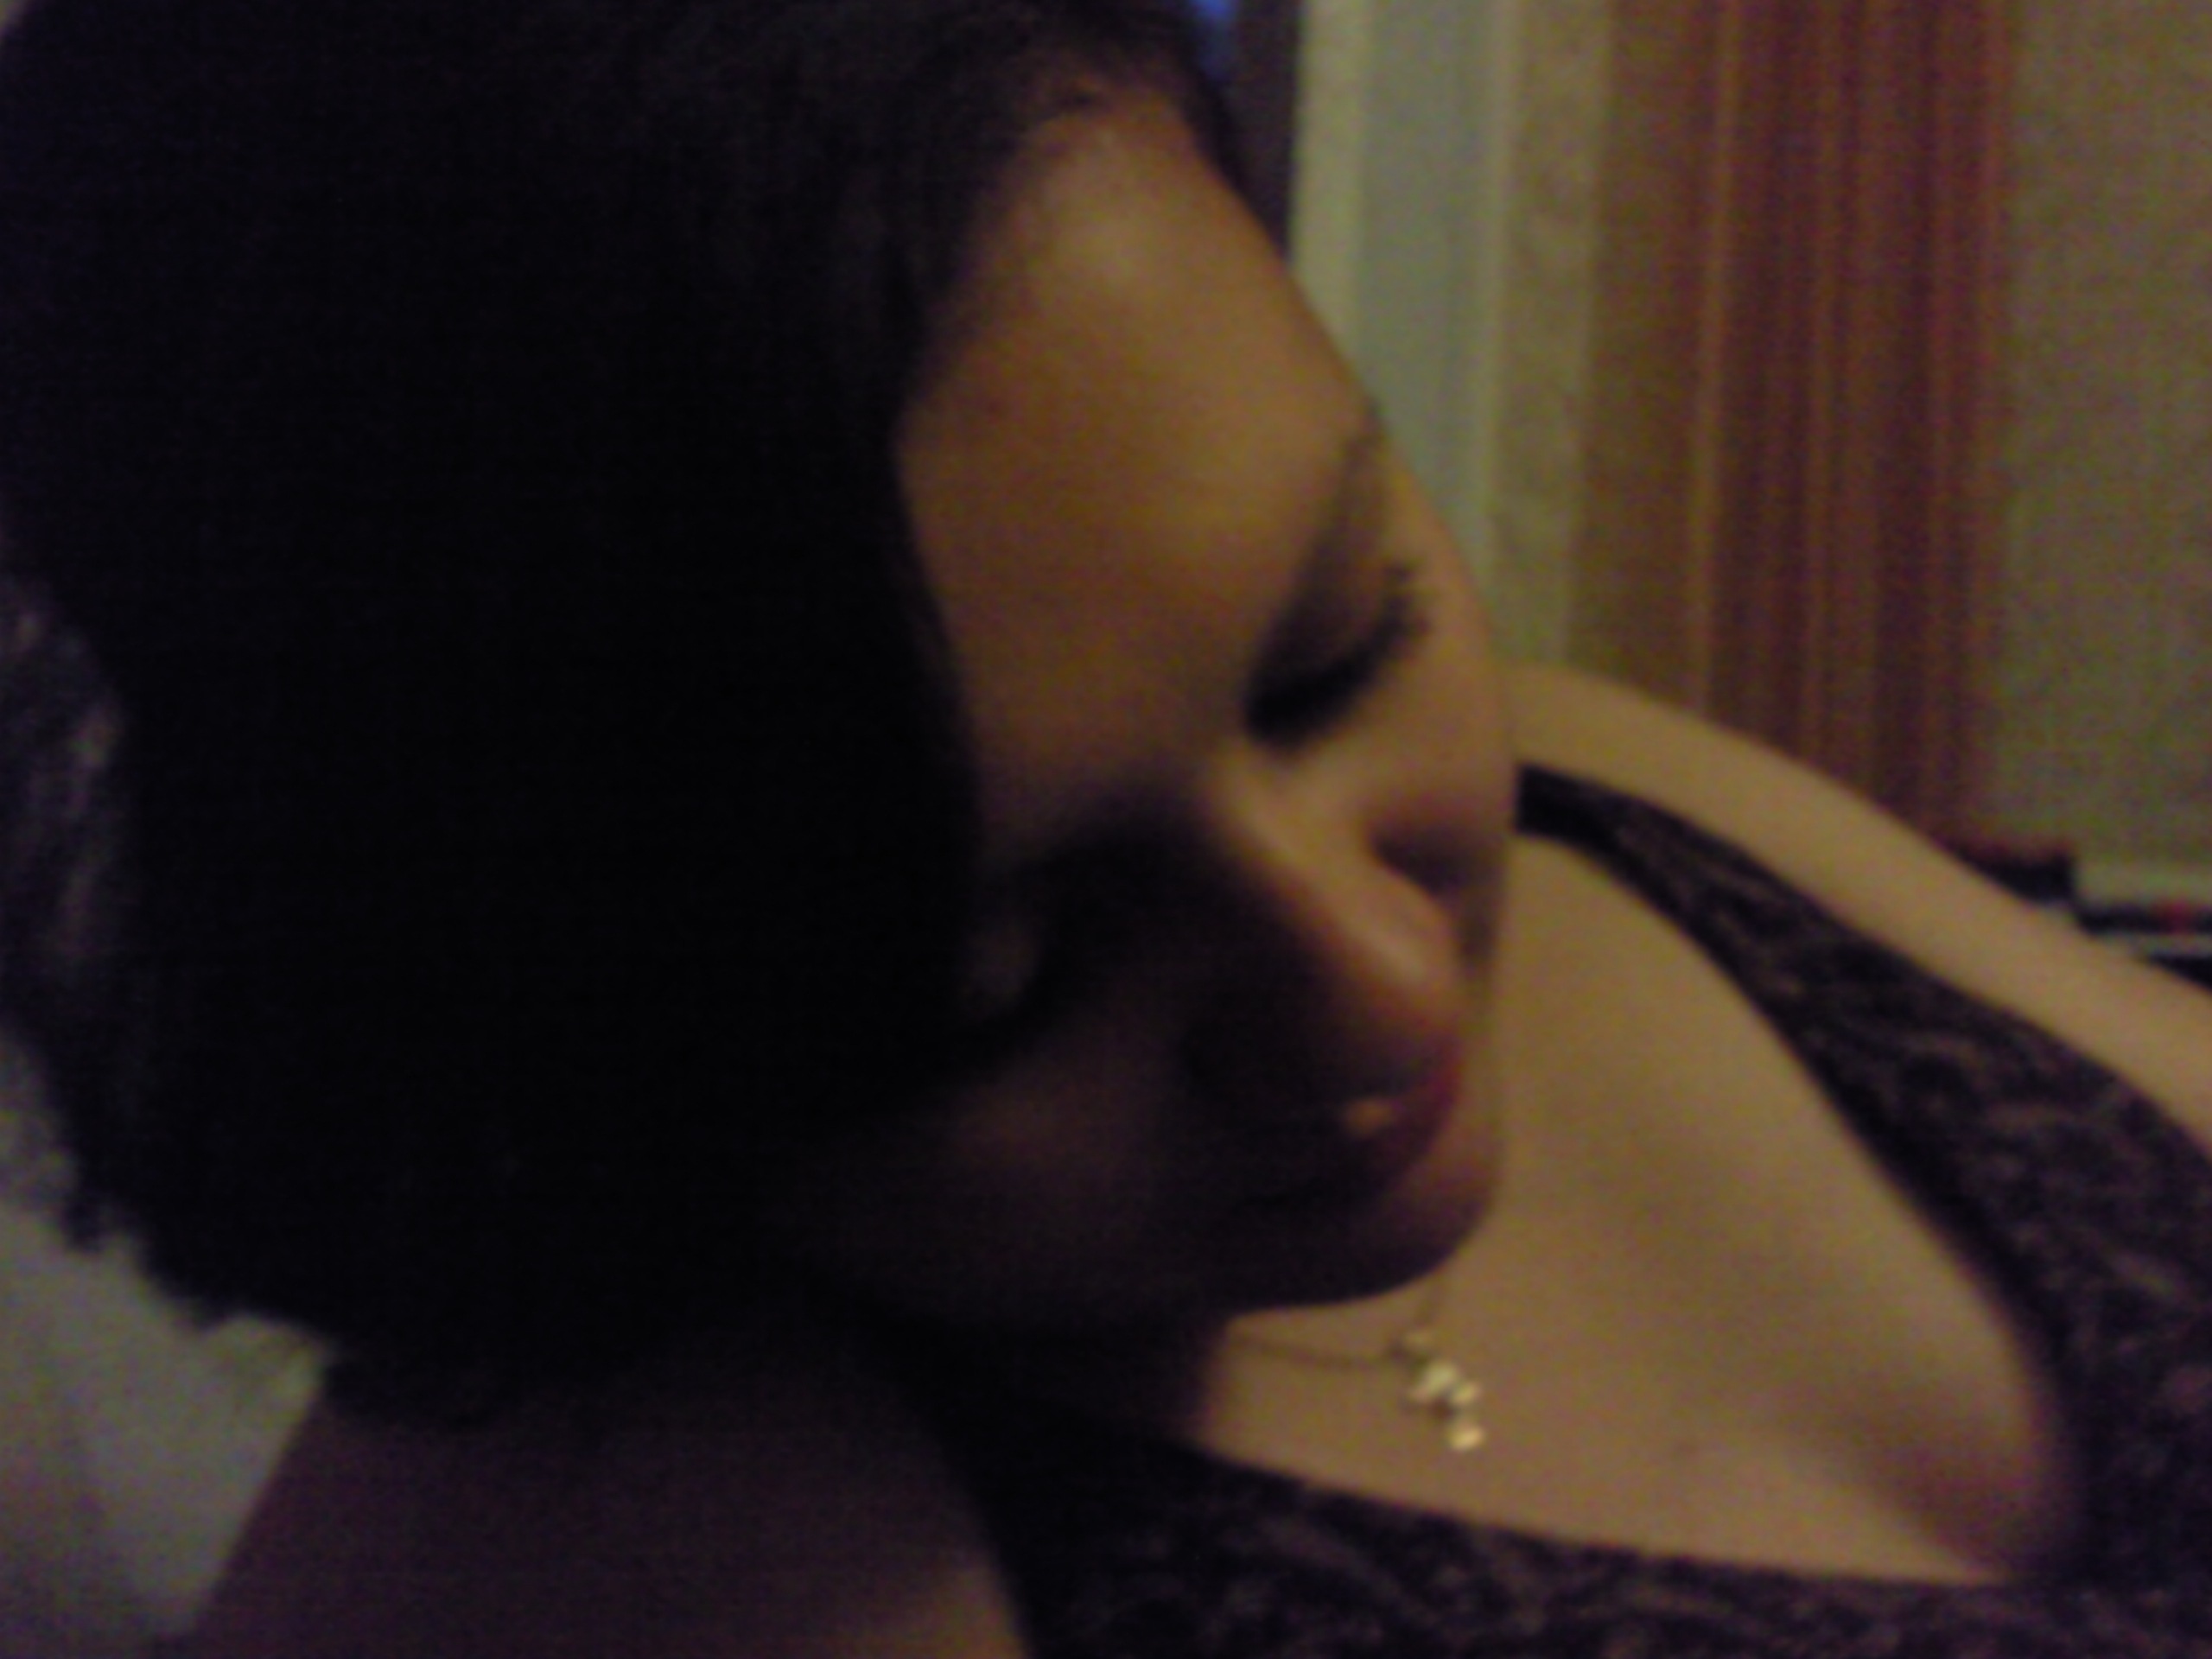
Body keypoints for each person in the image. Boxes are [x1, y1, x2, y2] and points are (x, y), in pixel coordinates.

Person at [0, 0, 2209, 1653]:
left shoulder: (1623, 803)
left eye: (1329, 652)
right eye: (1006, 978)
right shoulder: (642, 1561)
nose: (1379, 989)